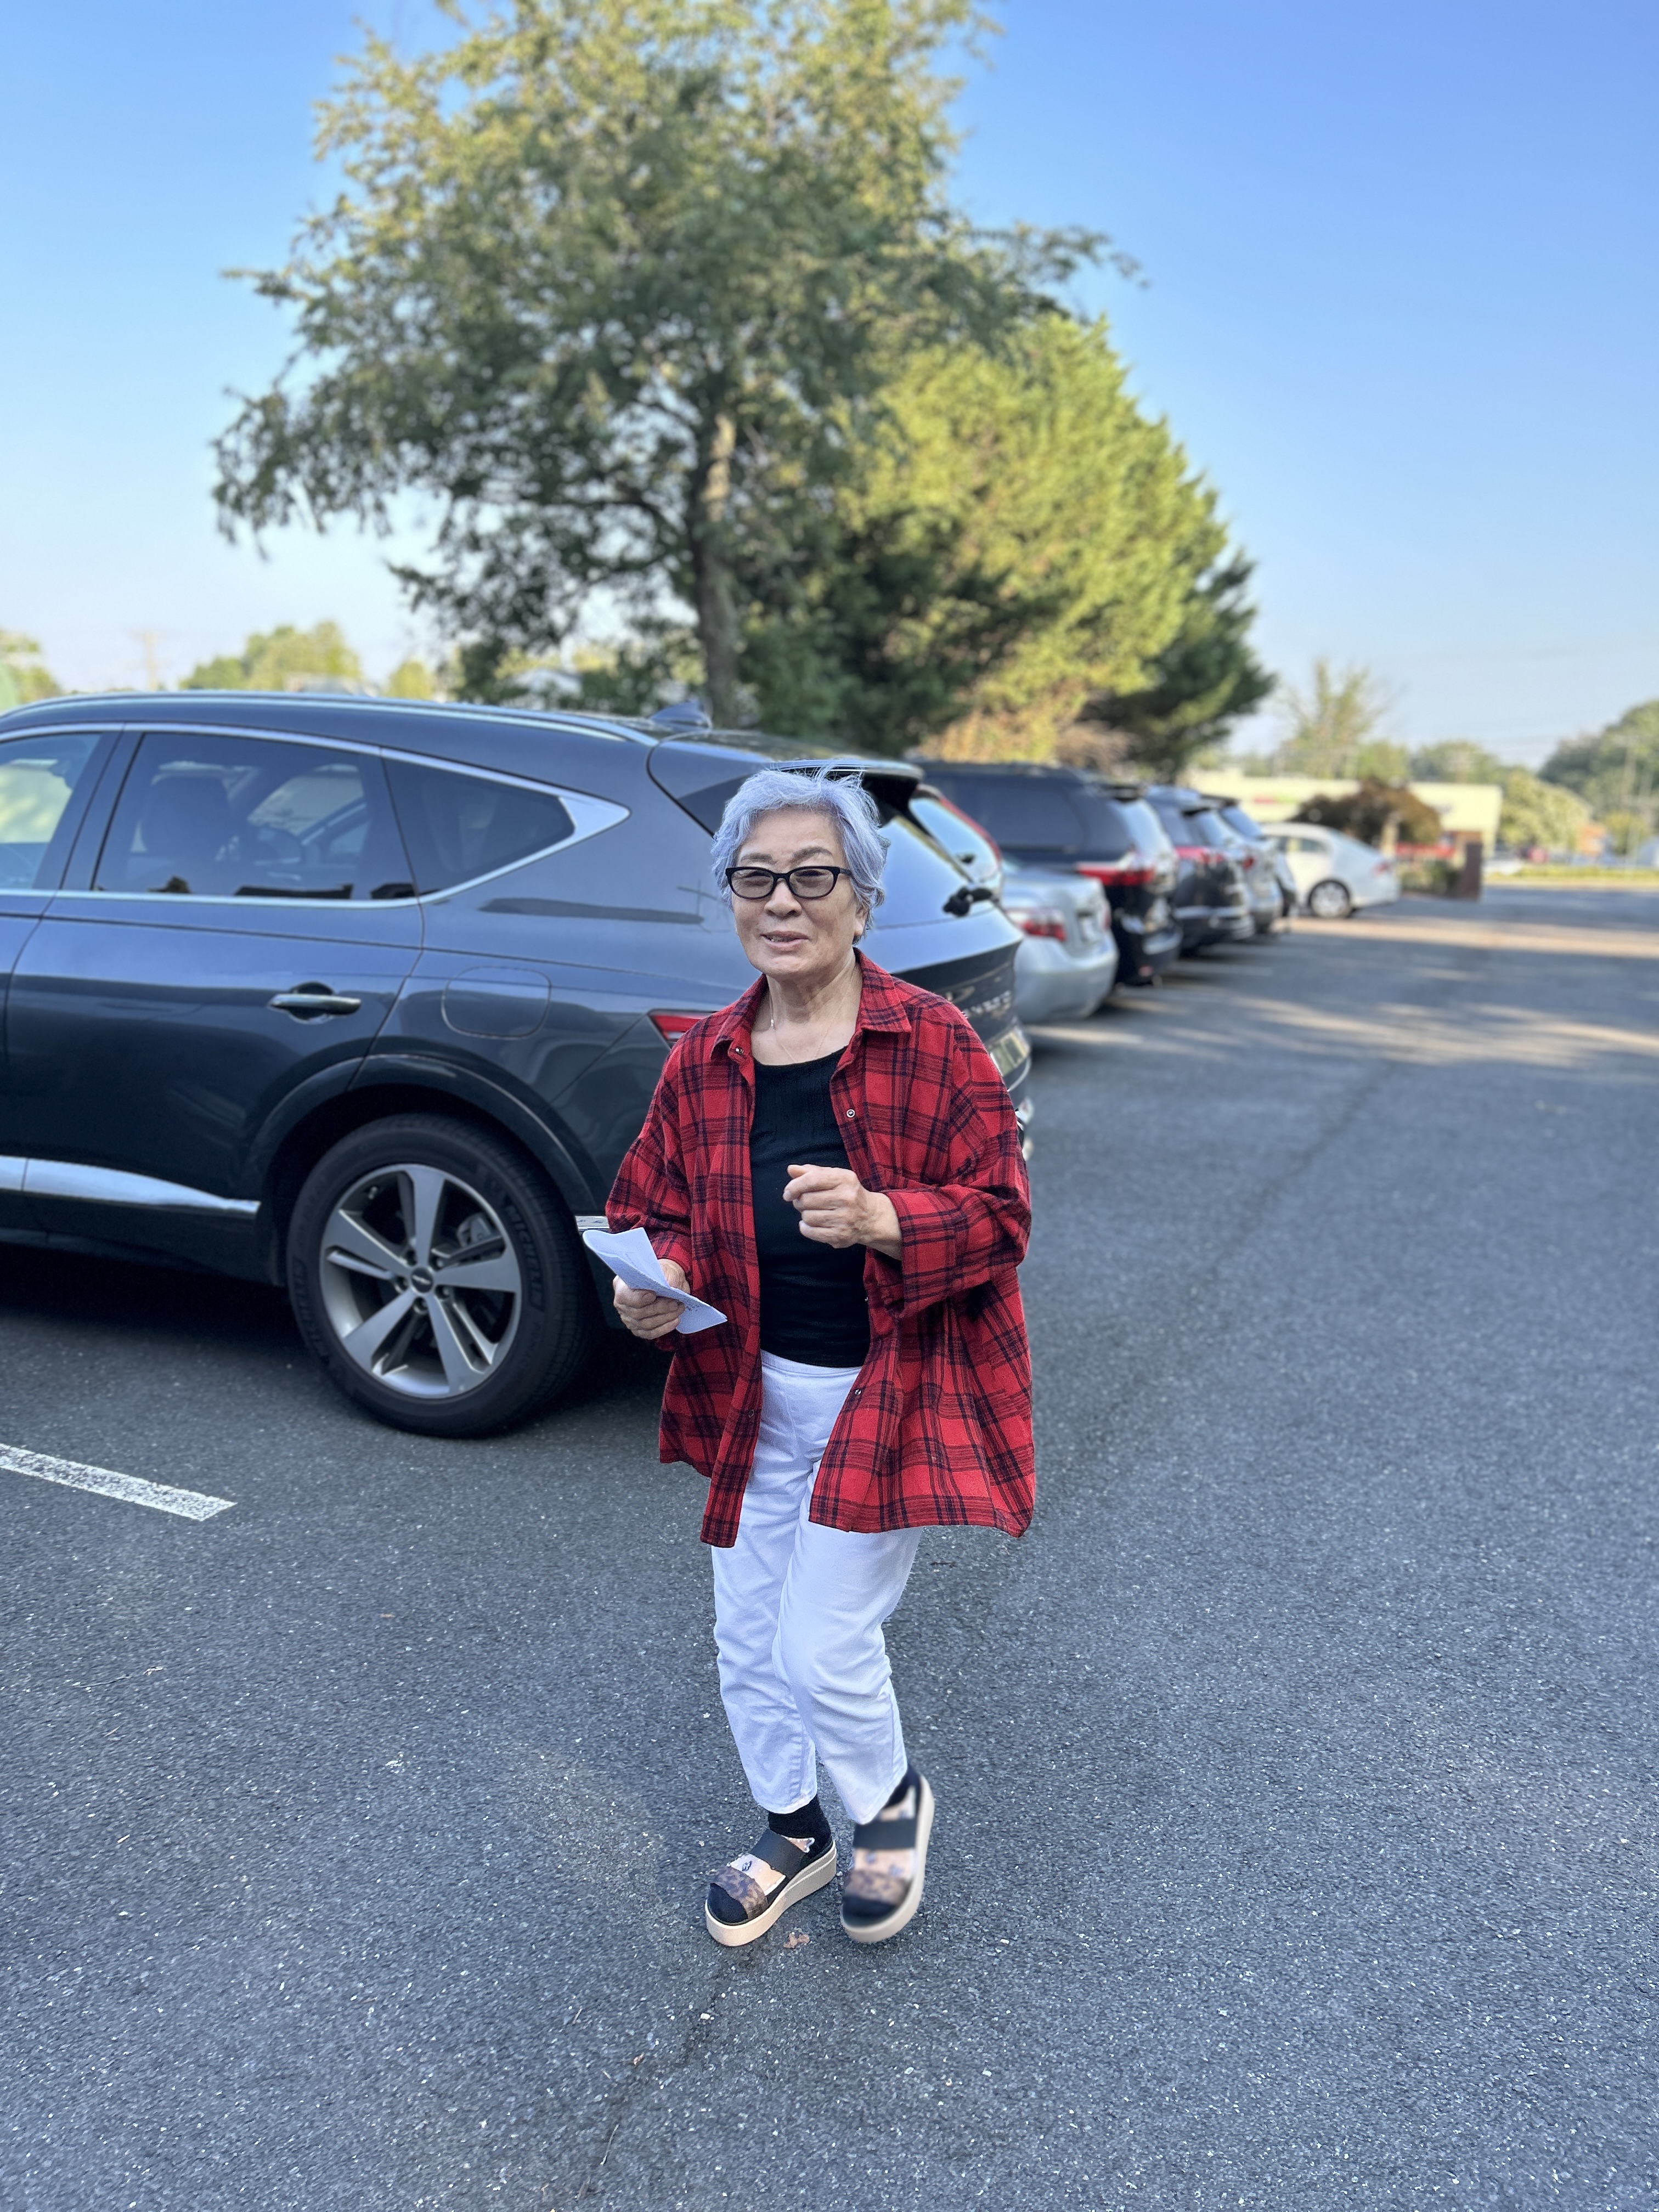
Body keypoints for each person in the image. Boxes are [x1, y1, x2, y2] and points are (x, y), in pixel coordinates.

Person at [607, 767, 1032, 1947]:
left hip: (884, 1394)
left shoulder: (930, 1041)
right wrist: (652, 1284)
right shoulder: (704, 1058)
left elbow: (1004, 1216)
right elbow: (652, 1208)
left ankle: (889, 1810)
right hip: (750, 1392)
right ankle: (794, 1829)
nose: (782, 901)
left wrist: (888, 1217)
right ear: (731, 899)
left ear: (861, 899)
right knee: (747, 1638)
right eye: (756, 878)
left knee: (822, 1641)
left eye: (811, 875)